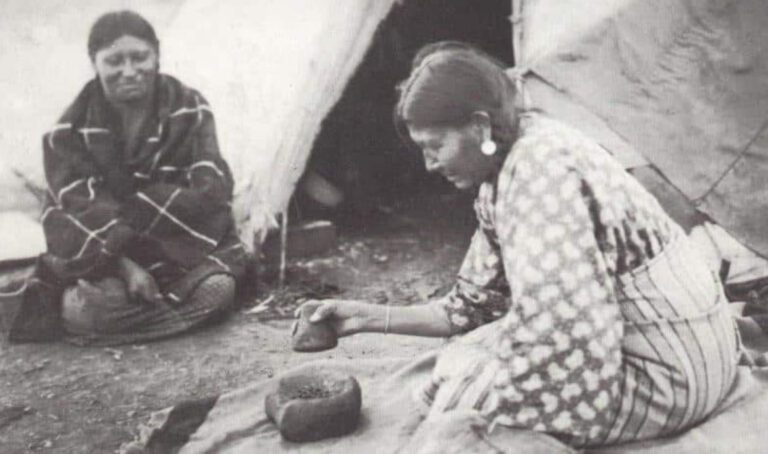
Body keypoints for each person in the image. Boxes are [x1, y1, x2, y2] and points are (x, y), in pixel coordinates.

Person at [300, 42, 741, 448]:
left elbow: (570, 329)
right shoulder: (513, 158)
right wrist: (363, 317)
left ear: (478, 126)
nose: (429, 163)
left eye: (436, 145)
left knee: (462, 403)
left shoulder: (539, 175)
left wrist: (490, 417)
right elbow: (470, 308)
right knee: (464, 361)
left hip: (675, 372)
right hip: (680, 343)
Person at [6, 10, 247, 345]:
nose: (129, 71)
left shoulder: (189, 108)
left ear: (157, 55)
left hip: (178, 249)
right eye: (114, 61)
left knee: (218, 289)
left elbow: (209, 190)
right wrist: (126, 266)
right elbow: (75, 211)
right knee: (87, 306)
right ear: (95, 62)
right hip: (109, 260)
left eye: (139, 57)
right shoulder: (68, 132)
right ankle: (163, 318)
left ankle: (127, 324)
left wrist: (136, 212)